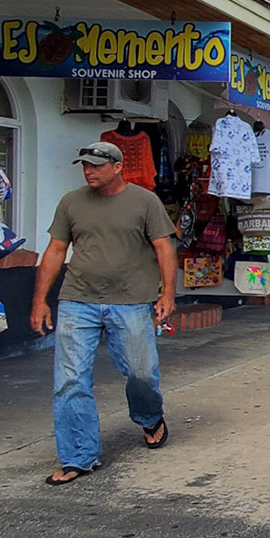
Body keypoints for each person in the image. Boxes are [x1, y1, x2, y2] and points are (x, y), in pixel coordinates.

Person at [31, 140, 177, 484]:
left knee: (141, 372)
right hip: (77, 299)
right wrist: (40, 299)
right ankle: (78, 456)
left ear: (117, 166)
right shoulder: (71, 202)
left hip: (131, 301)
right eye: (85, 165)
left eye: (96, 165)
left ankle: (149, 416)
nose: (89, 171)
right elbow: (55, 250)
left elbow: (163, 248)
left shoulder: (145, 201)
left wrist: (168, 293)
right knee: (70, 380)